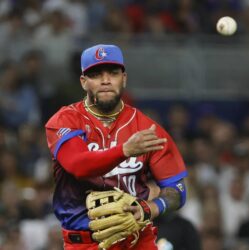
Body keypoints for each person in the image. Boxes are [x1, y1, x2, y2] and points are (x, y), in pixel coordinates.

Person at [45, 44, 188, 250]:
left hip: (138, 239)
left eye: (113, 73)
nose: (105, 80)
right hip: (85, 243)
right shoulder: (65, 120)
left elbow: (177, 190)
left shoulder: (147, 128)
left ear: (124, 78)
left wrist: (150, 208)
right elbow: (78, 165)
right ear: (84, 82)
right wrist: (125, 151)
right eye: (96, 75)